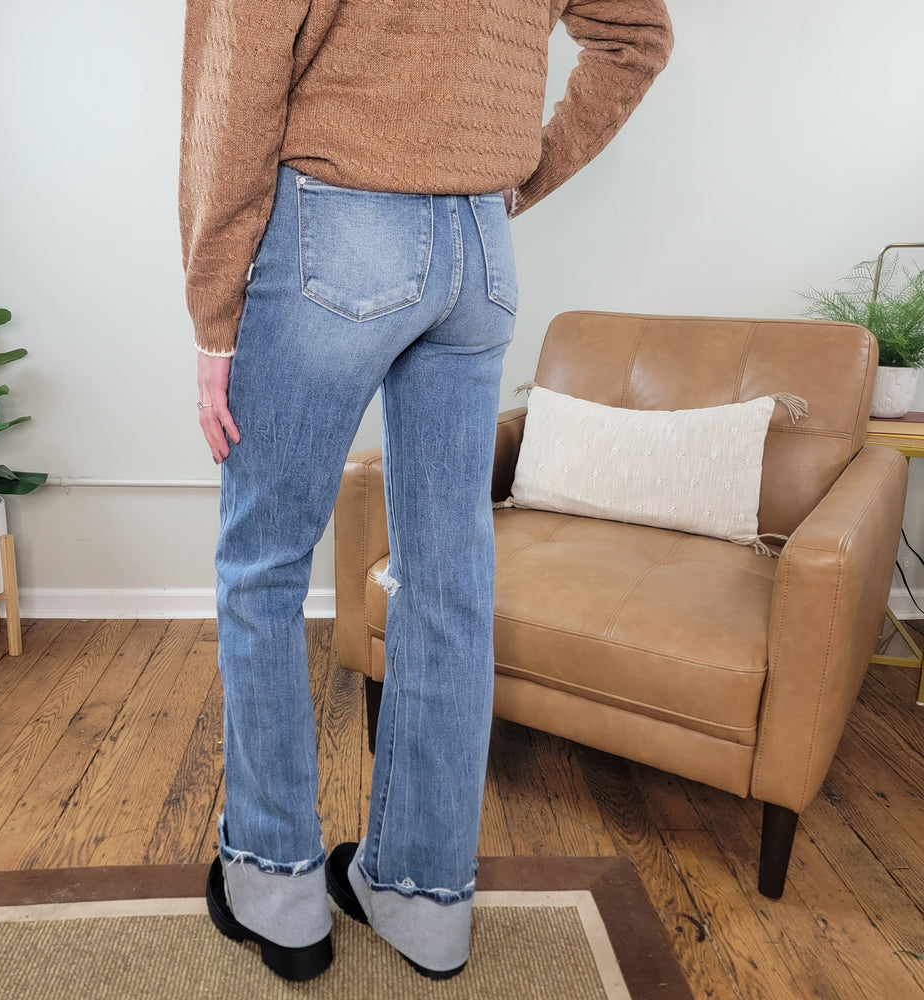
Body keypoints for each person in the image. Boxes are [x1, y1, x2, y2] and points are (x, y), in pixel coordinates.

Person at [180, 0, 672, 983]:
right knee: (446, 579)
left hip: (332, 225)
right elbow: (636, 35)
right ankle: (422, 899)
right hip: (477, 252)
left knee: (265, 567)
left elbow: (234, 81)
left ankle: (276, 890)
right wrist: (512, 169)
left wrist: (213, 309)